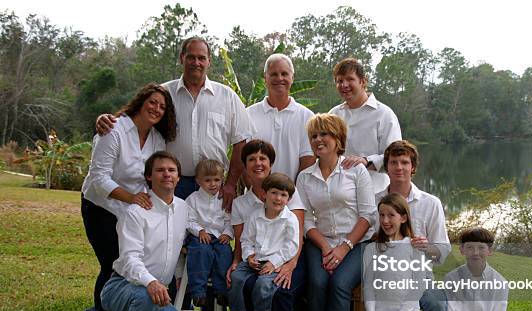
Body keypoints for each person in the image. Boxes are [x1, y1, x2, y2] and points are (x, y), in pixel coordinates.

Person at [95, 36, 255, 208]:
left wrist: (230, 184)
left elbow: (241, 143)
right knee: (170, 234)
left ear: (209, 61)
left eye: (201, 58)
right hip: (172, 184)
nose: (196, 62)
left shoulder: (227, 96)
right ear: (181, 58)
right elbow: (137, 116)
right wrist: (103, 119)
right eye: (191, 57)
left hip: (213, 184)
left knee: (212, 233)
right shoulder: (164, 93)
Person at [80, 83, 176, 311]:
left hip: (133, 209)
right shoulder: (113, 129)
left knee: (132, 261)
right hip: (100, 205)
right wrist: (132, 198)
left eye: (162, 107)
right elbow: (99, 178)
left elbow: (152, 173)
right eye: (152, 102)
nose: (156, 109)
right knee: (112, 262)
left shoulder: (156, 139)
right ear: (140, 102)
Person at [297, 113, 377, 311]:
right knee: (318, 285)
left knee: (339, 285)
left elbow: (368, 215)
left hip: (356, 243)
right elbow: (305, 219)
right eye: (314, 136)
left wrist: (344, 247)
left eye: (325, 135)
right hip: (319, 242)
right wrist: (325, 247)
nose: (319, 140)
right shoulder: (305, 177)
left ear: (338, 139)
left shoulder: (356, 171)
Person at [100, 151, 197, 311]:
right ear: (149, 177)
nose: (167, 174)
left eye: (172, 170)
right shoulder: (136, 212)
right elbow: (129, 259)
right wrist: (150, 282)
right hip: (123, 287)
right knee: (145, 294)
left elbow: (180, 245)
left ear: (179, 177)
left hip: (158, 296)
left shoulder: (183, 208)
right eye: (160, 170)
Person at [228, 139, 306, 311]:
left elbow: (296, 239)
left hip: (289, 259)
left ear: (271, 163)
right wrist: (239, 261)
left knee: (280, 291)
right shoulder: (243, 204)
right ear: (244, 165)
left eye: (263, 159)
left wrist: (287, 265)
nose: (258, 163)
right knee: (244, 283)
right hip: (254, 259)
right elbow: (243, 240)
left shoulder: (288, 192)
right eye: (251, 159)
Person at [377, 140, 452, 311]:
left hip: (420, 276)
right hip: (386, 277)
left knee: (436, 305)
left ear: (413, 167)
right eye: (393, 162)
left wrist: (426, 246)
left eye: (404, 162)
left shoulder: (431, 203)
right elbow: (369, 240)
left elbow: (443, 249)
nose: (399, 167)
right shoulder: (375, 199)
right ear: (386, 167)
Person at [227, 173, 300, 311]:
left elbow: (291, 246)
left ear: (288, 199)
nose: (278, 198)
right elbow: (246, 239)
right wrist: (249, 256)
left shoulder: (290, 219)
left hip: (275, 262)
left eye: (283, 195)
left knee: (262, 285)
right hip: (254, 259)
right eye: (274, 193)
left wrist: (273, 263)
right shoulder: (255, 215)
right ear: (265, 194)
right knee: (236, 277)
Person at [363, 193, 425, 311]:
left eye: (391, 215)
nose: (385, 220)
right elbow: (369, 286)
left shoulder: (414, 247)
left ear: (403, 217)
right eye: (382, 215)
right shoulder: (371, 249)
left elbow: (418, 288)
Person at [329, 58, 401, 192]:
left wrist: (366, 161)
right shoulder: (334, 114)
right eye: (339, 81)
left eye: (350, 79)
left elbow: (396, 155)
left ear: (363, 81)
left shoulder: (384, 114)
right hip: (339, 192)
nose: (344, 85)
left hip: (376, 192)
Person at [246, 53, 315, 181]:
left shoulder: (307, 117)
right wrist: (258, 191)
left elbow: (308, 160)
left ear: (292, 78)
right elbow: (243, 161)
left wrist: (290, 193)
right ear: (265, 78)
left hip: (294, 197)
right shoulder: (248, 115)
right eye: (273, 74)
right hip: (255, 197)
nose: (279, 78)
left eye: (284, 74)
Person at [185, 159, 233, 307]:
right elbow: (188, 220)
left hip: (220, 237)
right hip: (200, 238)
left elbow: (230, 220)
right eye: (207, 180)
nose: (213, 184)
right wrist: (199, 230)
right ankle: (198, 292)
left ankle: (222, 291)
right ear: (198, 181)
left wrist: (227, 233)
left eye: (217, 180)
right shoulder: (192, 199)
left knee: (224, 254)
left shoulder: (225, 199)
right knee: (201, 253)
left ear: (222, 179)